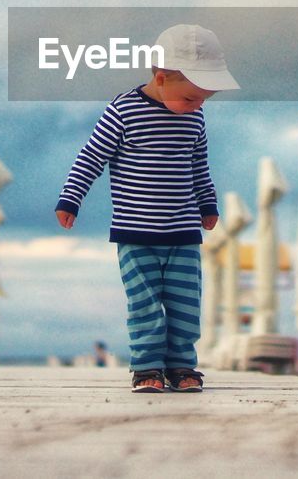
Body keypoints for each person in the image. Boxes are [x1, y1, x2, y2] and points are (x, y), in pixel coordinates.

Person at [55, 24, 239, 393]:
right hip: (136, 234)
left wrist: (208, 202)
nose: (198, 105)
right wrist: (71, 197)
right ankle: (147, 368)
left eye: (204, 99)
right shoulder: (123, 111)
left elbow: (198, 164)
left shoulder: (195, 119)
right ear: (161, 78)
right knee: (145, 305)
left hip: (183, 232)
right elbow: (91, 157)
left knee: (186, 308)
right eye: (190, 98)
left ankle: (183, 366)